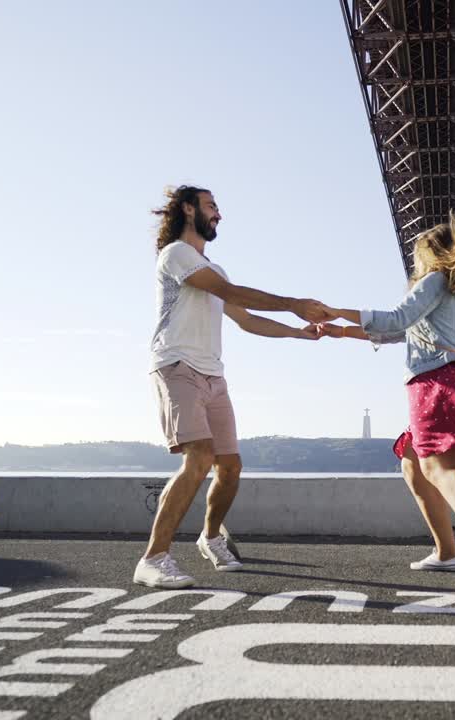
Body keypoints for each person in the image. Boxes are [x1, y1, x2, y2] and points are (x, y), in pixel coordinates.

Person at [135, 184, 334, 589]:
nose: (218, 214)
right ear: (188, 209)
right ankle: (153, 558)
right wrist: (292, 301)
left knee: (230, 467)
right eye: (211, 206)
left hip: (213, 374)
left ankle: (210, 538)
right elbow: (228, 292)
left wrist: (299, 332)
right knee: (200, 458)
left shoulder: (213, 269)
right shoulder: (176, 255)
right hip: (177, 366)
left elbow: (247, 320)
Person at [317, 213, 455, 595]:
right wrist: (342, 332)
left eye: (417, 255)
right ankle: (447, 553)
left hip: (434, 385)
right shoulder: (452, 290)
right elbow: (405, 333)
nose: (415, 263)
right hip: (448, 381)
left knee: (437, 466)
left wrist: (336, 311)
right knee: (413, 463)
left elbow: (397, 317)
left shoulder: (434, 280)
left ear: (430, 254)